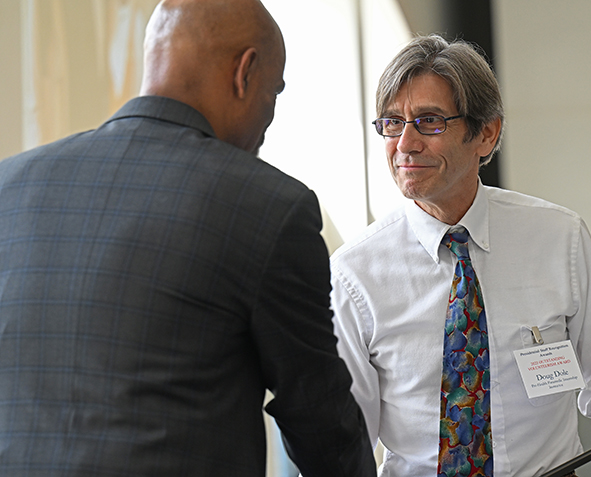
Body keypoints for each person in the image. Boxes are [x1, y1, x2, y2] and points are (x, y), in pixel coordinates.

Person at [0, 1, 376, 476]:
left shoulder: (9, 188)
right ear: (245, 71)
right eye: (273, 95)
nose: (268, 120)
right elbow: (320, 419)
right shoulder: (268, 207)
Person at [330, 34, 591, 477]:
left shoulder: (558, 238)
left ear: (485, 133)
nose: (405, 144)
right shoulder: (355, 273)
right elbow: (345, 435)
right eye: (393, 123)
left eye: (429, 121)